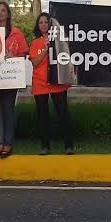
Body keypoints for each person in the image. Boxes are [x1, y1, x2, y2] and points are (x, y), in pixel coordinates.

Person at [29, 12, 74, 155]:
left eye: (46, 22)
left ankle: (68, 145)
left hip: (57, 82)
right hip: (40, 83)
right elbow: (35, 63)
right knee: (43, 116)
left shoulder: (60, 40)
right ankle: (45, 146)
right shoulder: (35, 42)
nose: (43, 25)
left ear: (51, 24)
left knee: (63, 114)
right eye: (40, 22)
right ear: (38, 25)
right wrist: (45, 49)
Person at [0, 1, 28, 158]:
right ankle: (0, 141)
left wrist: (14, 56)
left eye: (3, 10)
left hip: (10, 77)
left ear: (8, 14)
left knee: (8, 110)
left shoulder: (17, 33)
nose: (0, 13)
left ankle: (8, 143)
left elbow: (24, 53)